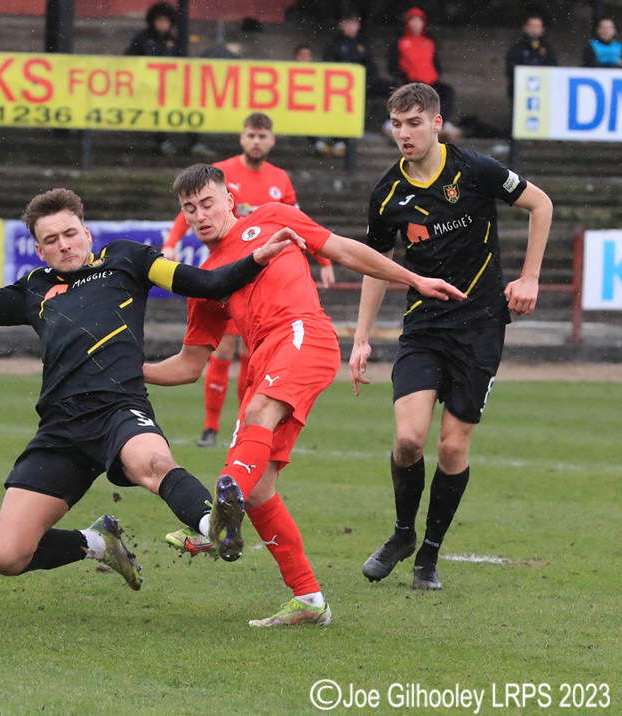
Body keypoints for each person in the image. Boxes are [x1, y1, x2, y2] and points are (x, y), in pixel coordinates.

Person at [144, 163, 465, 627]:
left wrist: (412, 280)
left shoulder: (273, 216)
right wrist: (132, 372)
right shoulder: (207, 278)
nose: (199, 215)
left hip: (303, 335)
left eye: (207, 203)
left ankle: (214, 524)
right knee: (258, 491)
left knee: (257, 413)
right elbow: (190, 365)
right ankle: (309, 600)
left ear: (230, 199)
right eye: (188, 209)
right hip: (264, 363)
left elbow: (345, 250)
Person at [0, 177, 294, 591]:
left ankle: (214, 526)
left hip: (119, 410)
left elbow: (205, 283)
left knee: (156, 465)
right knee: (6, 556)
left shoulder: (129, 259)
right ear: (39, 250)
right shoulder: (32, 289)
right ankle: (98, 542)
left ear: (87, 233)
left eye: (71, 233)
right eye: (52, 240)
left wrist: (256, 258)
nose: (65, 244)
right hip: (60, 429)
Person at [350, 83, 552, 591]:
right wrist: (360, 337)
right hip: (423, 326)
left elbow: (541, 204)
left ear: (437, 123)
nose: (404, 134)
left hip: (481, 327)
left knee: (453, 450)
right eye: (396, 124)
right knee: (408, 439)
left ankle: (429, 558)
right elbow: (377, 267)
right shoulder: (388, 196)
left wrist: (528, 278)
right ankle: (401, 535)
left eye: (414, 122)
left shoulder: (476, 170)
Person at [161, 113, 335, 449]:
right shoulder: (219, 175)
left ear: (271, 141)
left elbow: (301, 224)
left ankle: (243, 424)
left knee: (250, 353)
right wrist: (171, 244)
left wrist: (323, 260)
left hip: (262, 274)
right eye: (251, 135)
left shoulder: (280, 179)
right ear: (242, 139)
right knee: (222, 348)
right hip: (230, 269)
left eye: (262, 136)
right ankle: (210, 426)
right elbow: (189, 213)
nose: (256, 141)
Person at [125, 2, 213, 158]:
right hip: (148, 88)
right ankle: (162, 142)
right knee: (157, 112)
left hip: (171, 87)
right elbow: (129, 60)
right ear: (153, 21)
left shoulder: (173, 40)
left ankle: (195, 142)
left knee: (186, 109)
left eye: (166, 21)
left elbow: (181, 62)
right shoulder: (142, 38)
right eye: (160, 21)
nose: (163, 25)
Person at [321, 6, 395, 144]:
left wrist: (365, 80)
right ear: (341, 24)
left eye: (354, 23)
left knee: (393, 88)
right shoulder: (334, 44)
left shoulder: (363, 44)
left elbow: (372, 67)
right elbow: (328, 67)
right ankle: (339, 138)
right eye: (348, 22)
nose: (351, 26)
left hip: (364, 84)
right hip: (341, 89)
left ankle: (390, 123)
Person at [387, 7, 460, 140]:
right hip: (409, 83)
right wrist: (405, 75)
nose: (416, 24)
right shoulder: (400, 42)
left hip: (430, 83)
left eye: (419, 20)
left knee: (448, 92)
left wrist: (432, 76)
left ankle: (443, 123)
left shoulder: (429, 43)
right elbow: (392, 66)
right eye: (413, 20)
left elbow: (436, 65)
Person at [505, 12, 558, 99]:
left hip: (543, 92)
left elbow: (553, 67)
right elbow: (511, 70)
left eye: (537, 27)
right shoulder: (517, 49)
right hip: (522, 92)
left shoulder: (548, 50)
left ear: (542, 29)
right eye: (532, 26)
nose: (534, 30)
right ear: (525, 28)